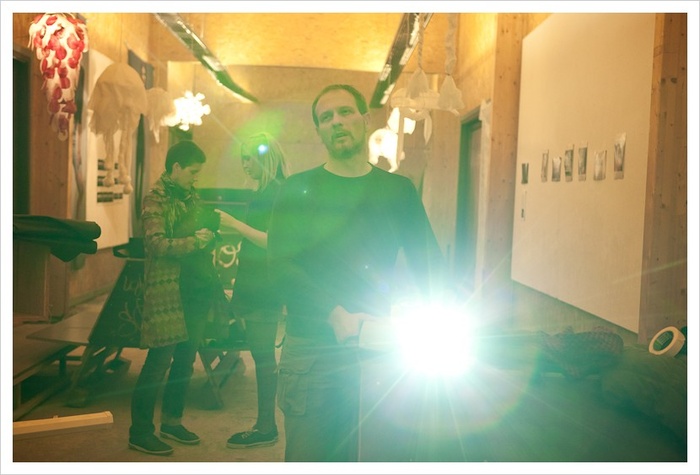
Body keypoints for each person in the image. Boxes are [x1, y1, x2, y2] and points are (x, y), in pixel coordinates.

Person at [267, 84, 446, 462]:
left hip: (379, 346)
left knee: (378, 455)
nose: (337, 122)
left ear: (365, 120)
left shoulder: (397, 190)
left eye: (345, 112)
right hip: (312, 350)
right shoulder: (298, 189)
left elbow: (428, 261)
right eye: (326, 117)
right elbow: (280, 267)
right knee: (311, 457)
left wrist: (441, 313)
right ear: (319, 131)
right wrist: (334, 313)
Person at [129, 140, 224, 456]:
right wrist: (196, 241)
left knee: (185, 360)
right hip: (168, 291)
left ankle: (172, 422)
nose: (196, 178)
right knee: (158, 363)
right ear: (176, 167)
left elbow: (202, 232)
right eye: (193, 172)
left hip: (195, 289)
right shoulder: (155, 199)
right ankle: (140, 432)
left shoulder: (190, 196)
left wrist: (210, 236)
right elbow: (157, 244)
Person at [215, 133, 289, 449]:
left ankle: (266, 426)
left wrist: (234, 224)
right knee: (261, 355)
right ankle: (265, 424)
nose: (245, 164)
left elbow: (273, 241)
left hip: (264, 287)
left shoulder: (275, 192)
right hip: (255, 284)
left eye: (249, 158)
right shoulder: (264, 191)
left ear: (264, 158)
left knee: (263, 357)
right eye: (243, 158)